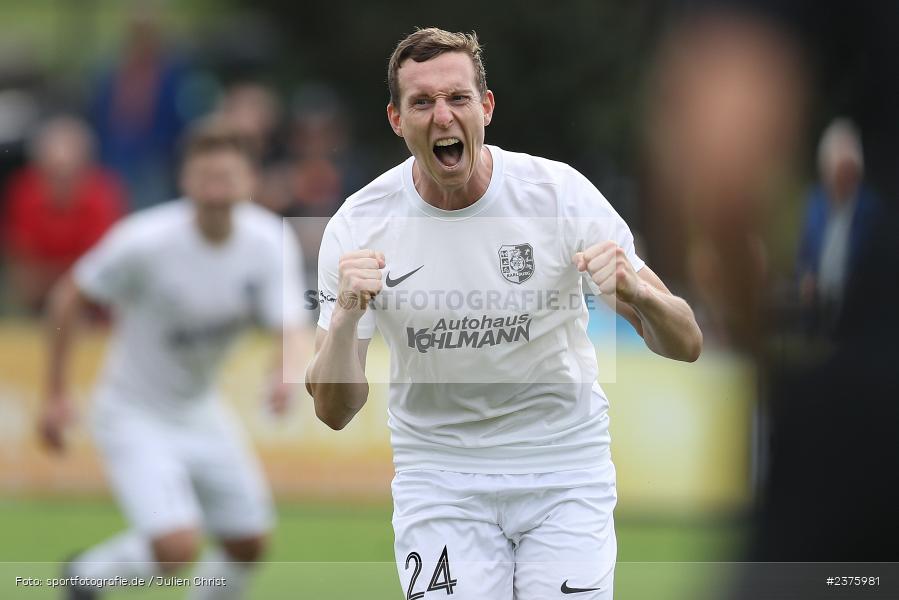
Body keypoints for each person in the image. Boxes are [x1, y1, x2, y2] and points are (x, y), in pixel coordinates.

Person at [306, 28, 702, 600]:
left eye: (458, 98)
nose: (443, 116)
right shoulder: (358, 225)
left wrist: (638, 295)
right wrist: (344, 314)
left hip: (563, 466)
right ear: (396, 119)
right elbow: (333, 410)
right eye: (422, 102)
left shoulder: (559, 195)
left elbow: (685, 341)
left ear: (486, 107)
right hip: (439, 477)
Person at [38, 122, 305, 599]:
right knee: (177, 547)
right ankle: (85, 578)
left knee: (248, 543)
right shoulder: (144, 241)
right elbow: (67, 298)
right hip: (132, 411)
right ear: (186, 181)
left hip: (200, 410)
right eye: (206, 178)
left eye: (228, 178)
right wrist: (55, 395)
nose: (217, 190)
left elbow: (289, 323)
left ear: (250, 182)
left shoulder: (267, 242)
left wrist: (285, 375)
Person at [2, 116, 126, 313]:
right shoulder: (23, 193)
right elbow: (22, 266)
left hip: (94, 307)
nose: (61, 183)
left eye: (70, 174)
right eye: (54, 174)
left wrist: (55, 278)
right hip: (36, 303)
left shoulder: (105, 193)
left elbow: (103, 266)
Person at [796, 118, 880, 336]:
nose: (843, 178)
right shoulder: (815, 203)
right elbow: (804, 253)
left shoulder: (872, 211)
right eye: (837, 171)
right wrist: (805, 276)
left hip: (859, 318)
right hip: (817, 312)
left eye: (848, 170)